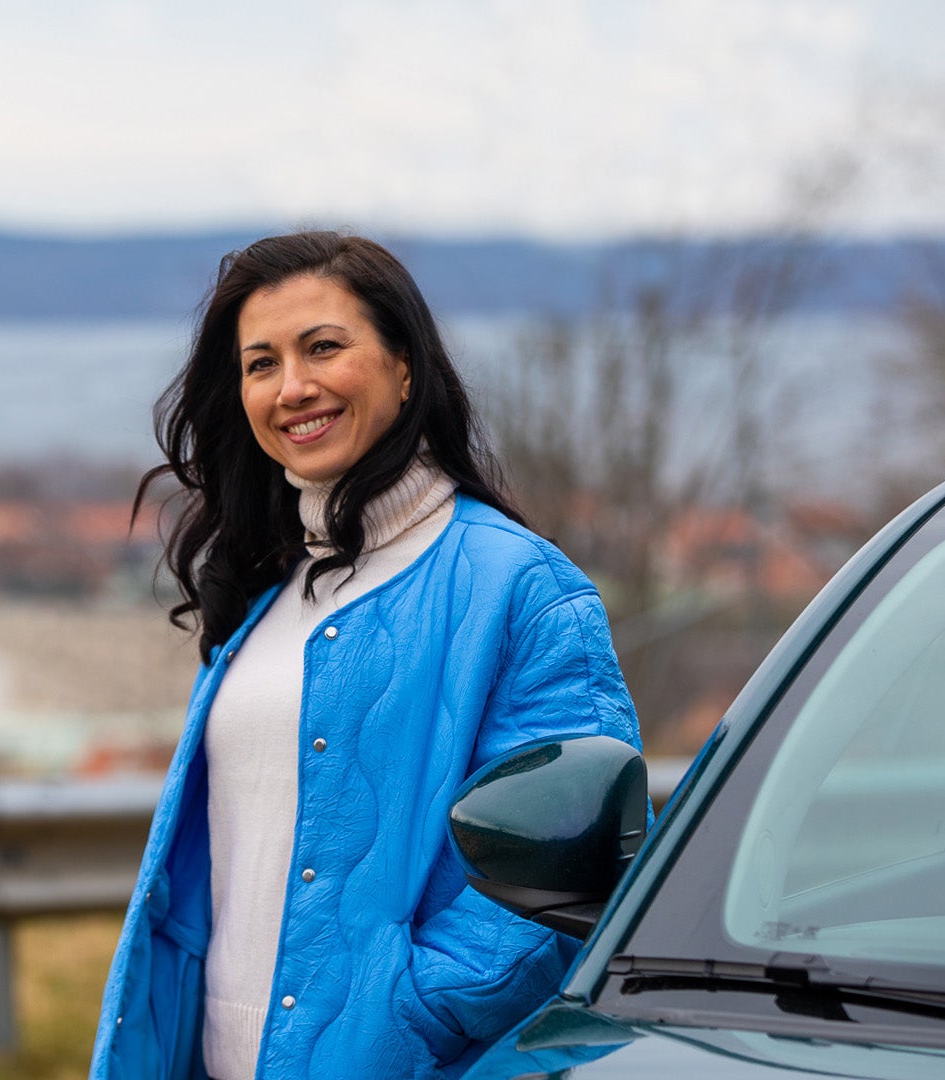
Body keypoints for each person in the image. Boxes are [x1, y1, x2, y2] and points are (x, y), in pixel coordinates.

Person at [91, 232, 640, 1080]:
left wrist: (403, 1021)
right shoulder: (269, 582)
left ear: (405, 366)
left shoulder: (518, 584)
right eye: (261, 363)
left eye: (324, 348)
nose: (293, 387)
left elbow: (570, 860)